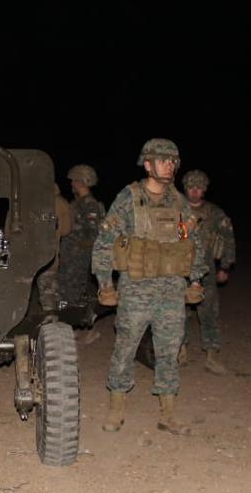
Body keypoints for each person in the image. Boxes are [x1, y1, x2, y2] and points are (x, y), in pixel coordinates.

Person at [92, 138, 208, 435]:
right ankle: (117, 407)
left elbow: (193, 243)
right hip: (137, 288)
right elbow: (105, 242)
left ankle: (167, 414)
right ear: (148, 164)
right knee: (126, 347)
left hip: (171, 289)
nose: (170, 166)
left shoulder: (179, 202)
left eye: (173, 161)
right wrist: (105, 283)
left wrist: (195, 279)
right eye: (164, 160)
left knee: (169, 351)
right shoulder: (129, 198)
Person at [179, 169, 236, 375]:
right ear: (185, 188)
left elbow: (228, 238)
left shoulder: (214, 213)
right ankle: (181, 351)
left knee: (208, 312)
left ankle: (211, 357)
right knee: (179, 312)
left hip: (207, 271)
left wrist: (225, 266)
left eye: (199, 188)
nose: (195, 192)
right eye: (191, 187)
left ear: (204, 189)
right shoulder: (176, 210)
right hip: (179, 270)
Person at [58, 164, 104, 305]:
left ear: (83, 181)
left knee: (73, 289)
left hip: (78, 255)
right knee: (65, 288)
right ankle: (67, 317)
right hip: (70, 253)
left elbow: (93, 232)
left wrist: (79, 248)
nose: (72, 183)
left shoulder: (90, 204)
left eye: (74, 180)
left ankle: (73, 317)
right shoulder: (76, 202)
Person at [36, 182, 74, 310]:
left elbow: (9, 232)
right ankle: (59, 315)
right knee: (54, 289)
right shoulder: (61, 202)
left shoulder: (25, 201)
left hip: (30, 257)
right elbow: (66, 230)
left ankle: (51, 319)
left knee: (46, 291)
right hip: (53, 256)